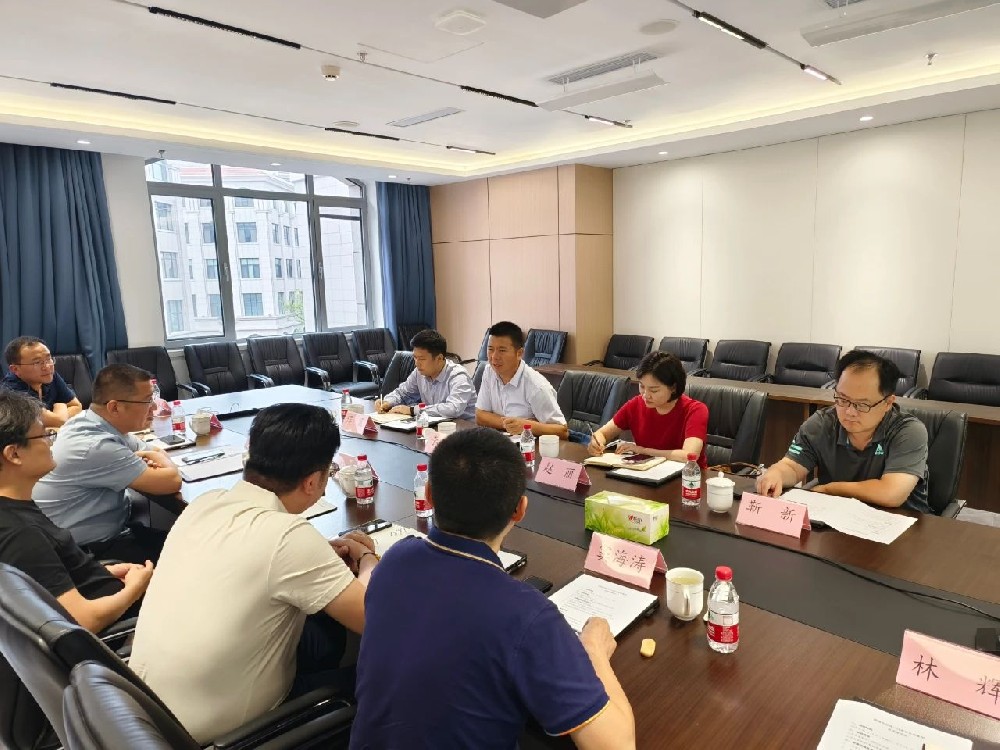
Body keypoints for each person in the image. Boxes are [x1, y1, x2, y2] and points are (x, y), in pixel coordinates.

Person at [351, 427, 635, 750]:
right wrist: (594, 650)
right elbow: (618, 745)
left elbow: (373, 582)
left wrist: (364, 556)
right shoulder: (527, 616)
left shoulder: (395, 560)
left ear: (428, 494)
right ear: (520, 509)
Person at [128, 403, 377, 743]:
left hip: (141, 715)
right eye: (328, 473)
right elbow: (376, 620)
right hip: (220, 735)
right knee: (384, 677)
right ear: (312, 481)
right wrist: (367, 558)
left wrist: (319, 555)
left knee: (323, 629)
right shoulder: (288, 537)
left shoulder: (205, 502)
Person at [0, 390, 152, 633]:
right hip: (133, 627)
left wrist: (100, 572)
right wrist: (136, 587)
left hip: (107, 591)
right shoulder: (21, 534)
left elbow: (47, 581)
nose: (52, 442)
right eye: (45, 434)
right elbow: (83, 621)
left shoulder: (14, 509)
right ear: (14, 454)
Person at [33, 364, 181, 562]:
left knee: (185, 542)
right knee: (190, 554)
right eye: (147, 400)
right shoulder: (94, 446)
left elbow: (151, 450)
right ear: (114, 407)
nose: (154, 407)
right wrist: (163, 462)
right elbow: (170, 482)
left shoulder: (90, 421)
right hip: (88, 553)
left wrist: (156, 458)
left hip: (109, 532)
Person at [756, 349, 929, 512]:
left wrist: (831, 489)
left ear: (888, 403)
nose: (850, 412)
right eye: (843, 399)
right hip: (836, 517)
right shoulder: (821, 424)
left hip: (901, 520)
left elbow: (891, 493)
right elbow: (792, 467)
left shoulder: (908, 431)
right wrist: (776, 474)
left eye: (862, 404)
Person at [588, 351, 708, 467]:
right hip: (647, 473)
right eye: (642, 386)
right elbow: (603, 433)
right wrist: (596, 442)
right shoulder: (636, 404)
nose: (646, 395)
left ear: (673, 388)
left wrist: (643, 451)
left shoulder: (695, 410)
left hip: (688, 477)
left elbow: (689, 455)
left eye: (654, 390)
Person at [475, 321, 569, 439]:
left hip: (530, 446)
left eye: (502, 350)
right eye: (490, 349)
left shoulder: (536, 386)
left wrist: (527, 426)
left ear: (519, 353)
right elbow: (480, 416)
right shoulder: (489, 371)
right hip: (501, 441)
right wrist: (511, 424)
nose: (494, 356)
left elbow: (562, 431)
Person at [374, 329, 475, 420]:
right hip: (434, 426)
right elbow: (402, 393)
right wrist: (387, 402)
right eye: (415, 357)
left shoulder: (458, 376)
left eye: (422, 359)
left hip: (464, 428)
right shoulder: (419, 372)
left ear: (439, 358)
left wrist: (413, 410)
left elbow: (453, 408)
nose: (417, 363)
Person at [2, 336, 82, 428]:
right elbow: (59, 421)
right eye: (37, 362)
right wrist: (61, 404)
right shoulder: (11, 391)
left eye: (48, 359)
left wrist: (57, 418)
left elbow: (77, 406)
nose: (47, 367)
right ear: (15, 369)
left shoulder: (49, 375)